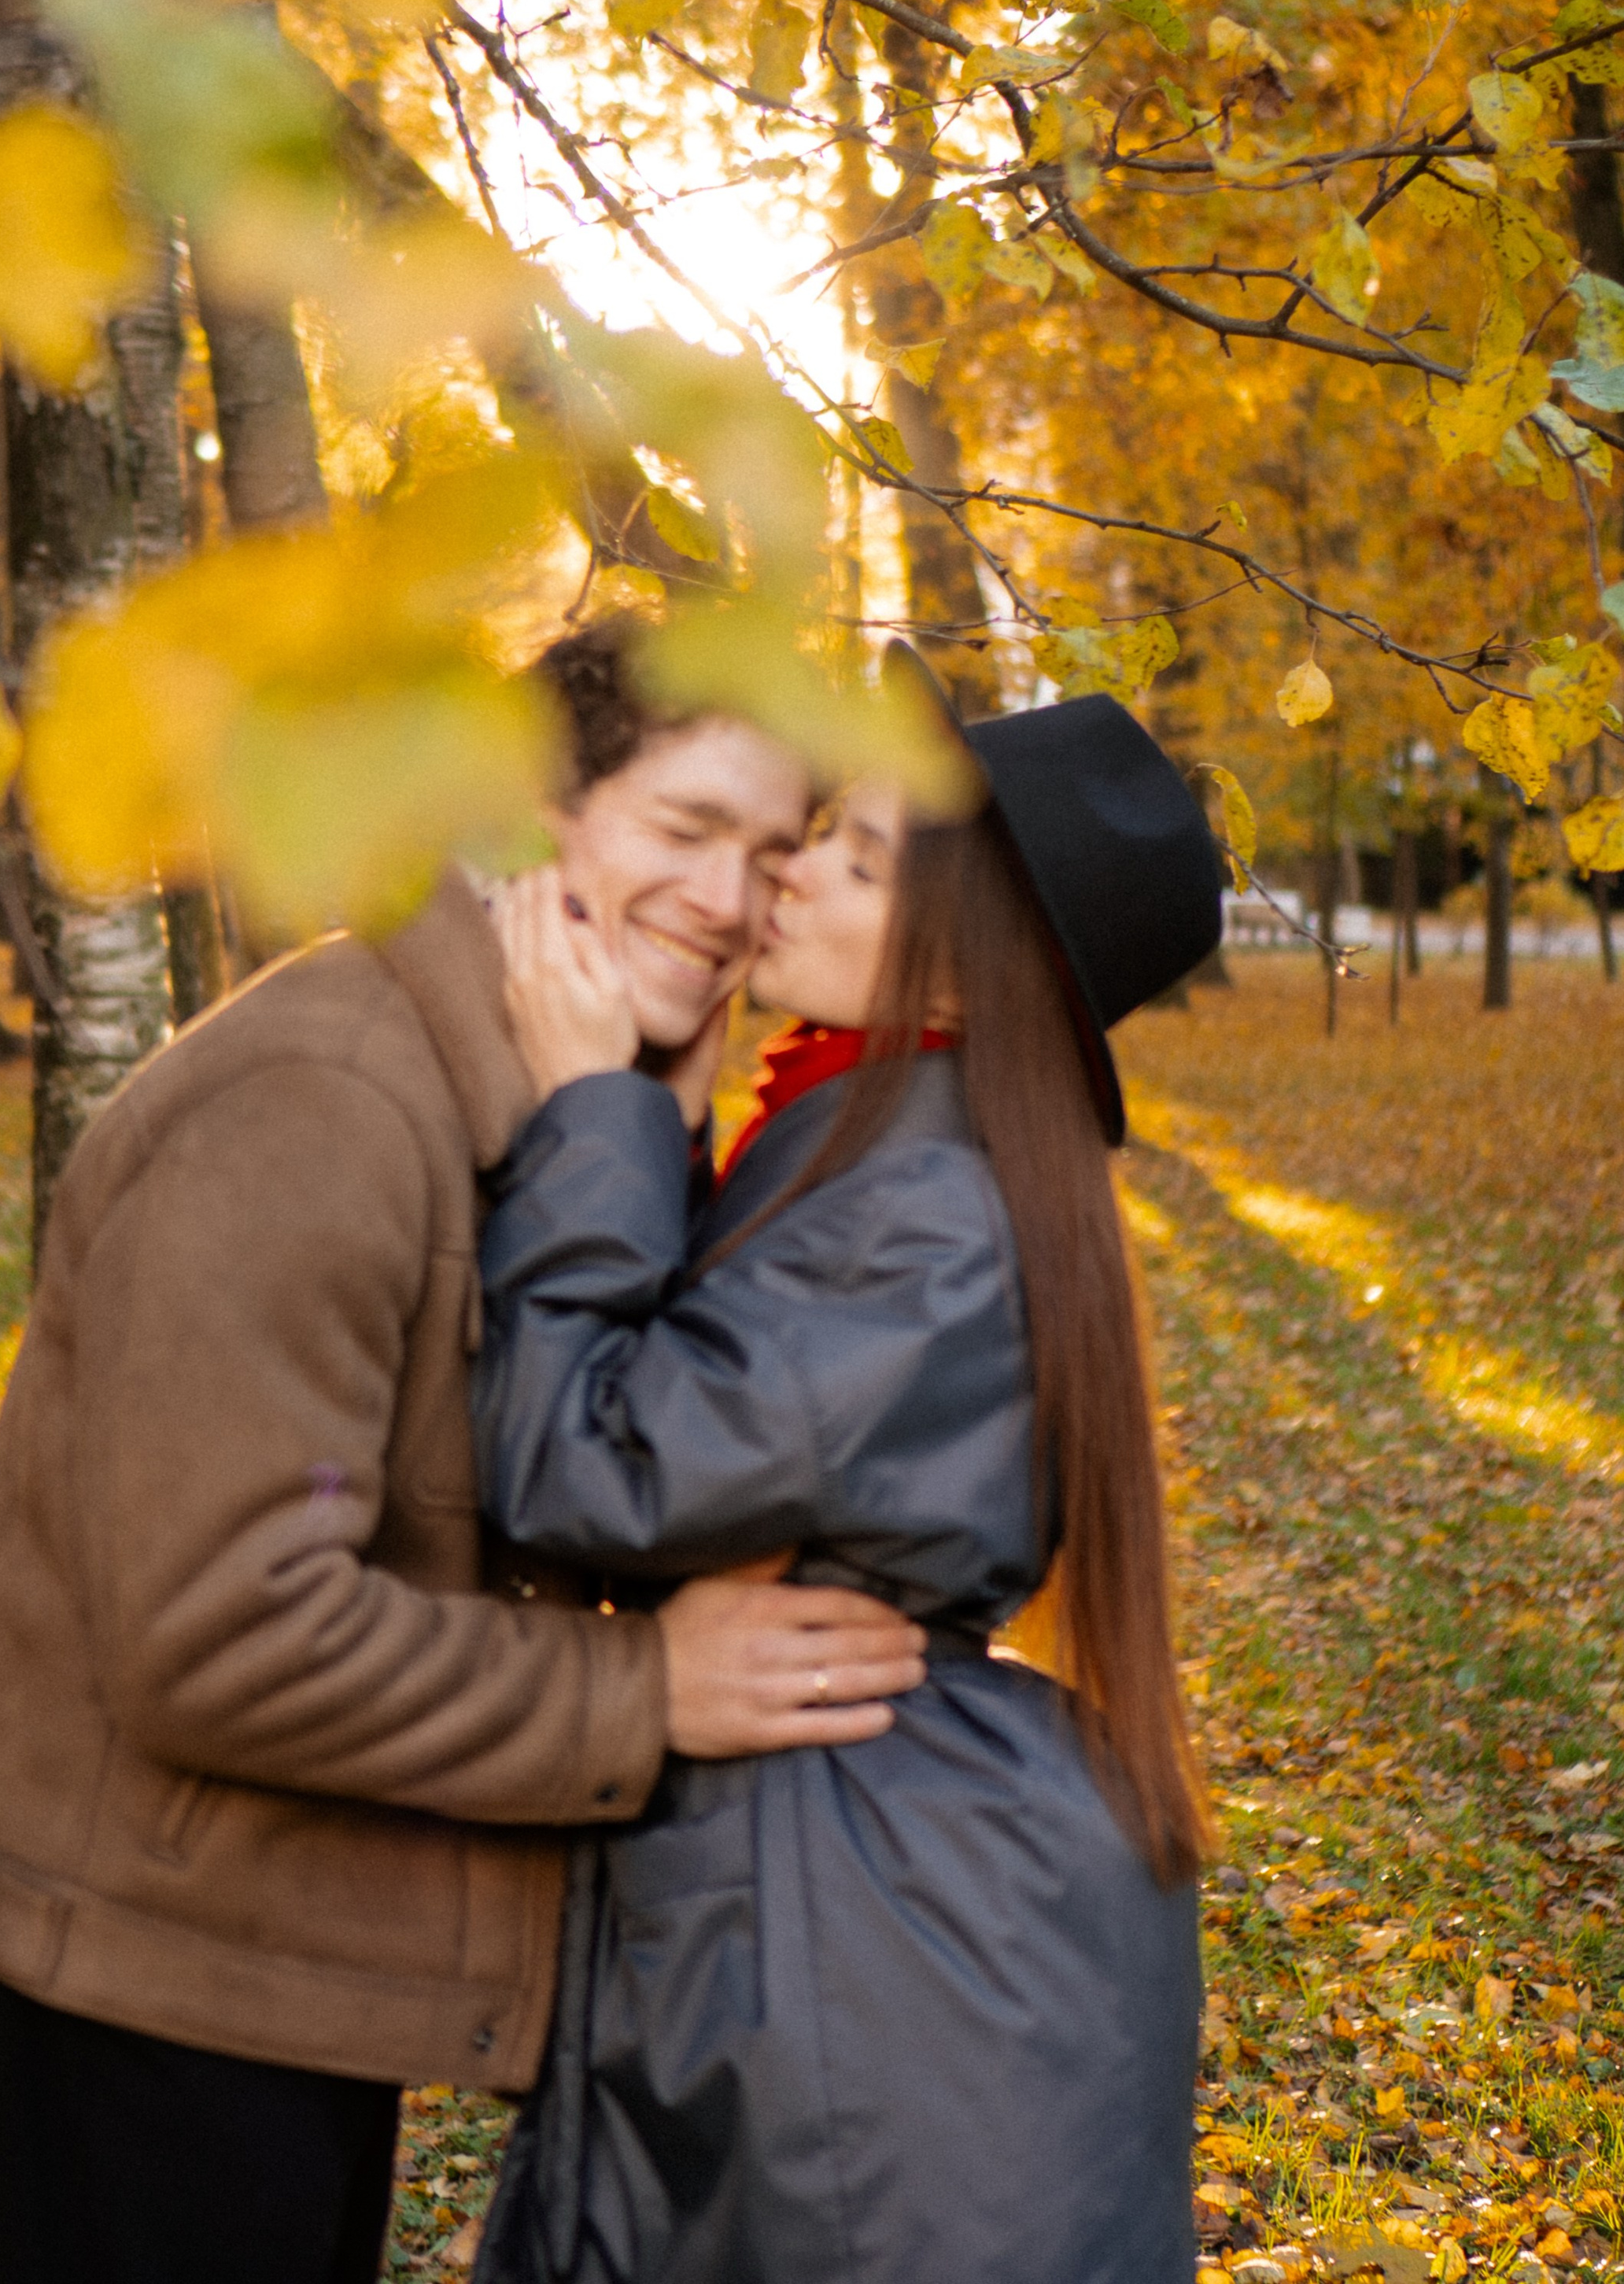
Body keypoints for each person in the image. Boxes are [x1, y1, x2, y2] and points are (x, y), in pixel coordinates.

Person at [0, 623, 928, 2284]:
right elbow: (231, 1633)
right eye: (684, 829)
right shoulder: (324, 1103)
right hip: (117, 1988)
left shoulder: (550, 1106)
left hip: (263, 1971)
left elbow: (573, 1484)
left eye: (773, 853)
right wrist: (646, 1692)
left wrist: (638, 1148)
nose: (730, 901)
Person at [469, 689, 1225, 2284]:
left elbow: (586, 1466)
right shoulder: (884, 1144)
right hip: (846, 1868)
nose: (792, 872)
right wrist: (667, 1127)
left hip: (847, 1917)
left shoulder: (917, 1204)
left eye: (859, 861)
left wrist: (595, 1114)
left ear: (958, 970)